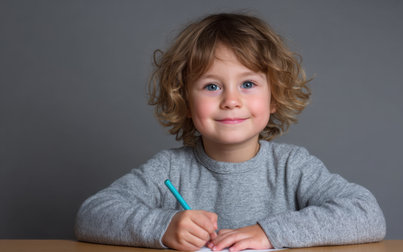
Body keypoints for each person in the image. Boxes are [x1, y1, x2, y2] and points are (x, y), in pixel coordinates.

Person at [74, 13, 386, 251]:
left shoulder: (293, 167)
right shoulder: (168, 169)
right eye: (211, 86)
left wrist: (269, 232)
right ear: (184, 100)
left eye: (248, 84)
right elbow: (91, 214)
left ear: (274, 96)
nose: (231, 101)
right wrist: (163, 226)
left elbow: (367, 214)